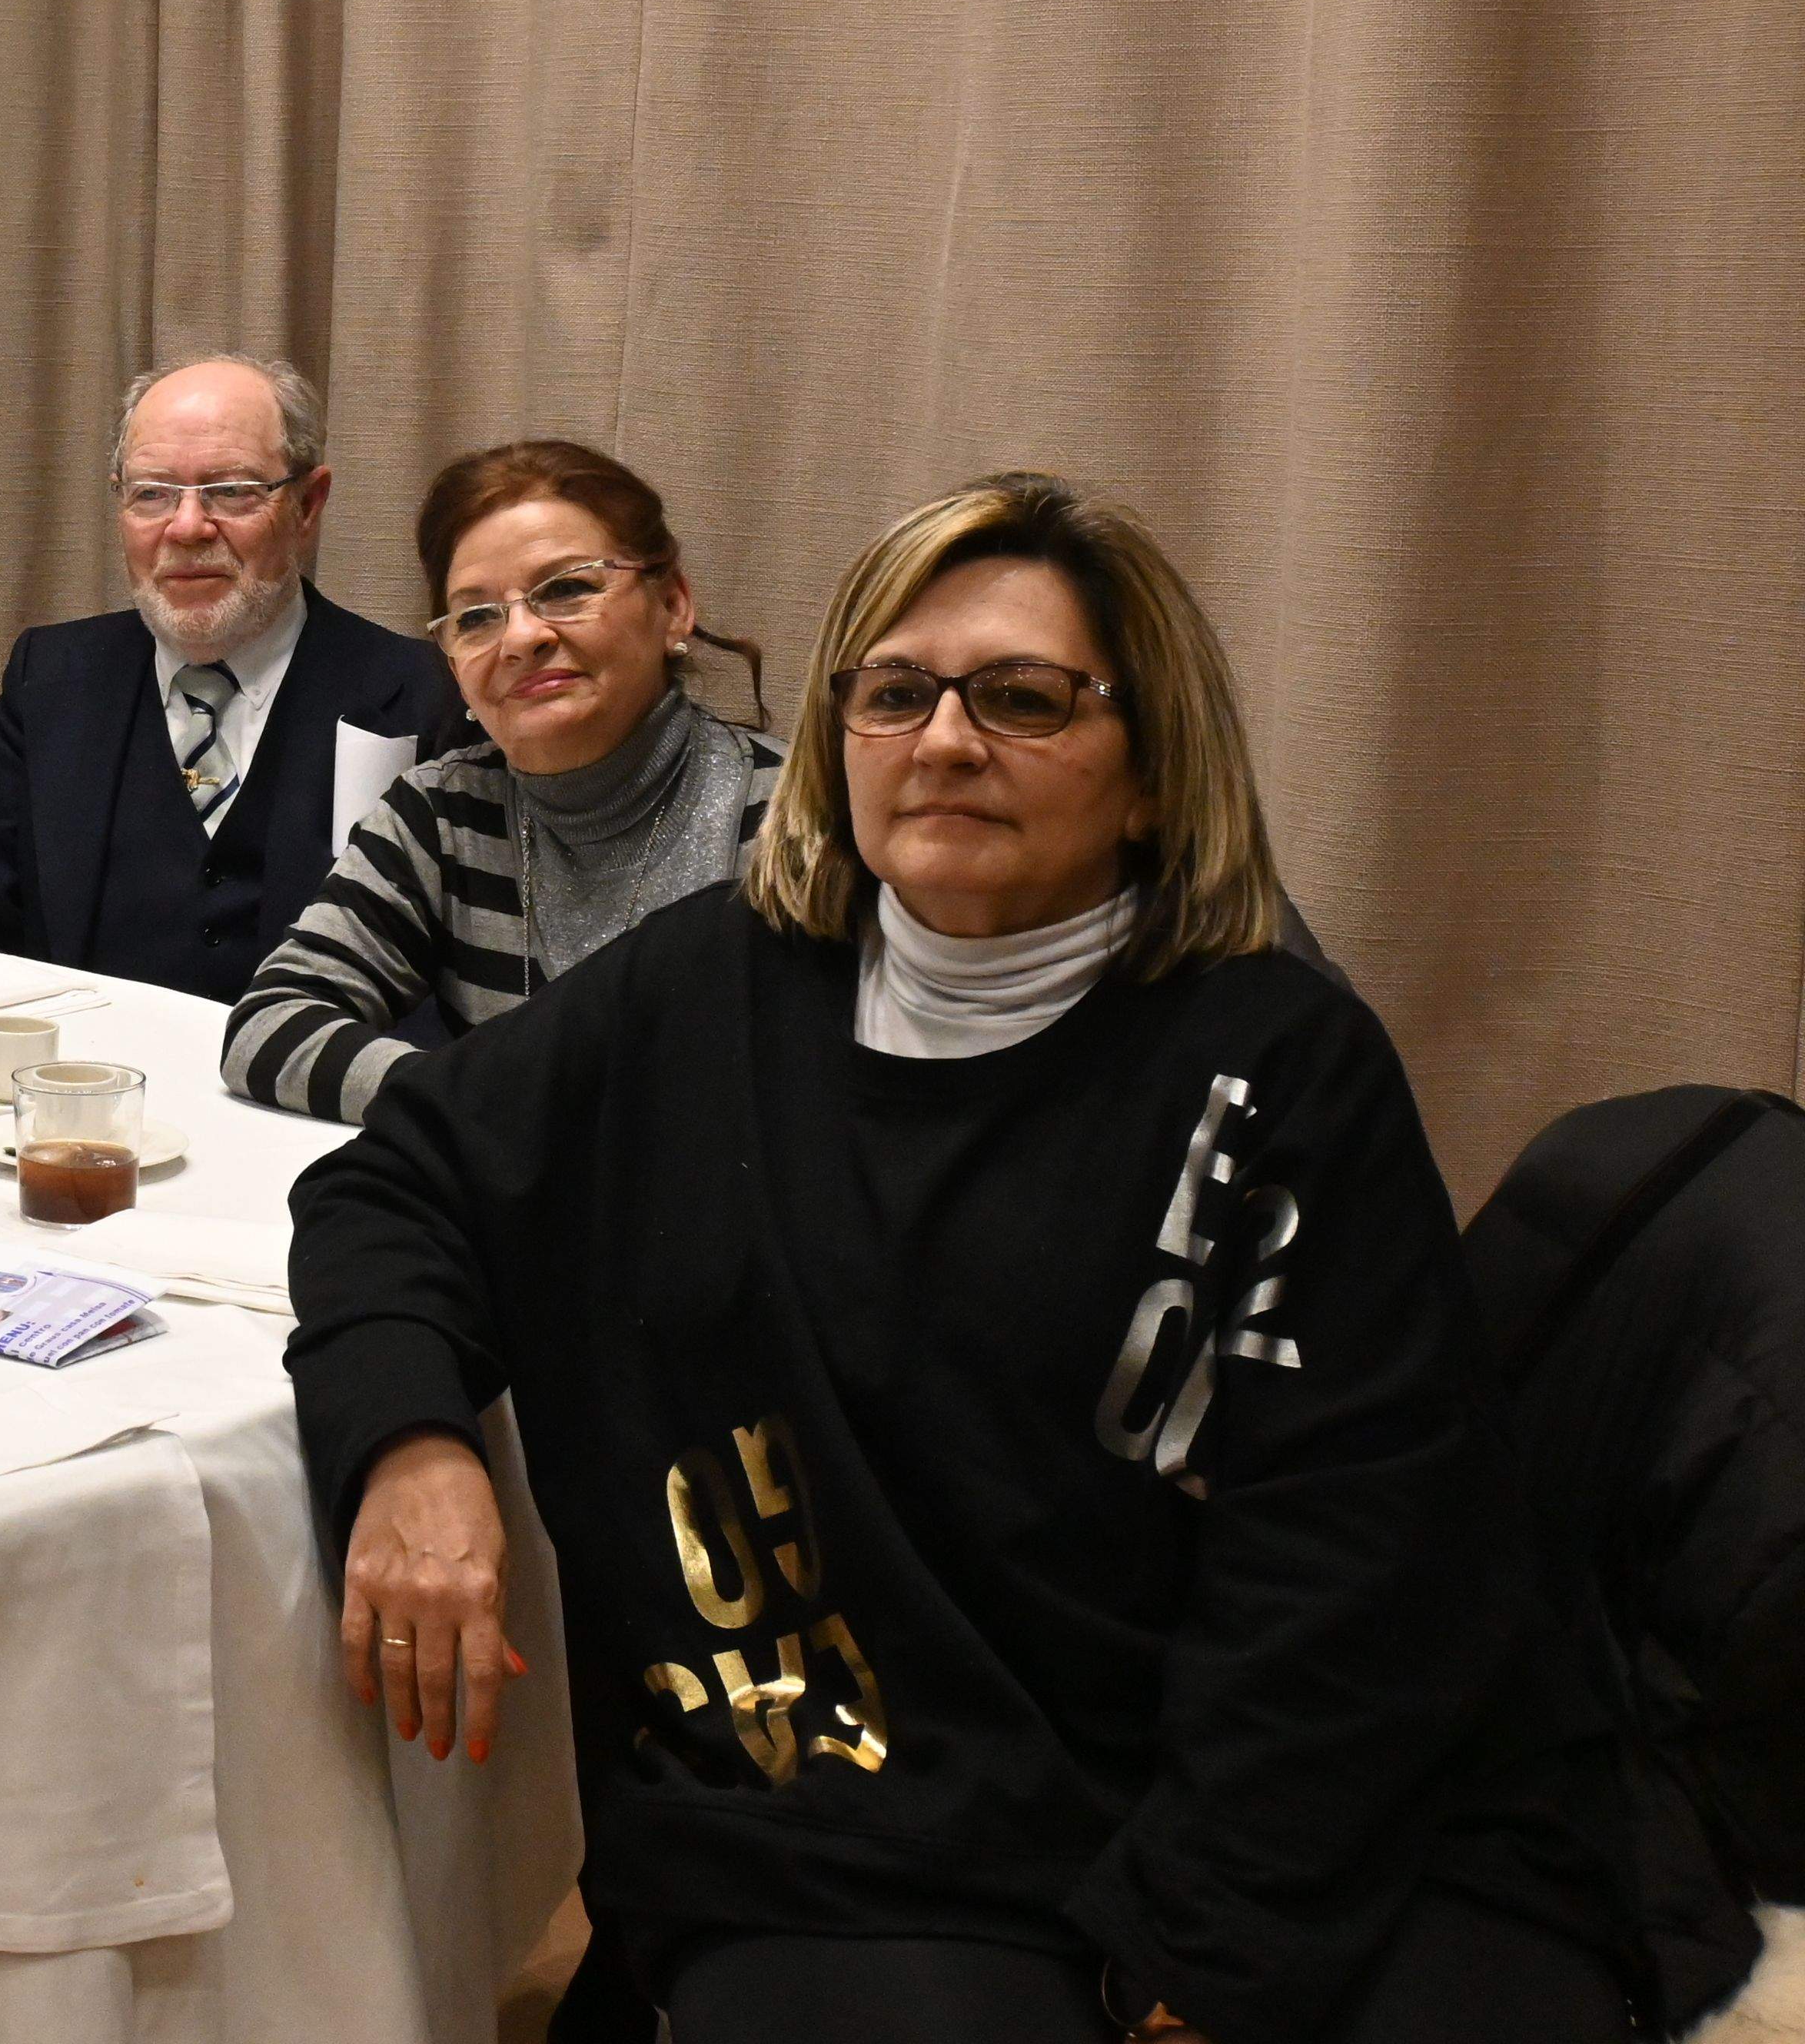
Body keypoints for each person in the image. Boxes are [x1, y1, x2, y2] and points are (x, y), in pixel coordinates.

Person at [288, 472, 1632, 2044]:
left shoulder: (1278, 1067)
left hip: (1248, 1786)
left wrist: (1201, 1958)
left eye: (1023, 697)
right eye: (895, 692)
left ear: (1148, 770)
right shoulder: (705, 989)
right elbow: (396, 1182)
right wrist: (414, 1440)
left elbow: (1355, 1563)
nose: (943, 740)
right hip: (841, 1814)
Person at [227, 439, 783, 1120]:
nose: (520, 638)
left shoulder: (798, 820)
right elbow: (268, 1030)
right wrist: (490, 1104)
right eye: (478, 616)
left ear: (673, 605)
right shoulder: (440, 813)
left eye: (568, 589)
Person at [0, 356, 464, 1004]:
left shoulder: (423, 696)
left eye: (233, 490)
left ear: (308, 504)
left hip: (303, 1096)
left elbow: (447, 991)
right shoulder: (51, 681)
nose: (187, 528)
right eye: (152, 493)